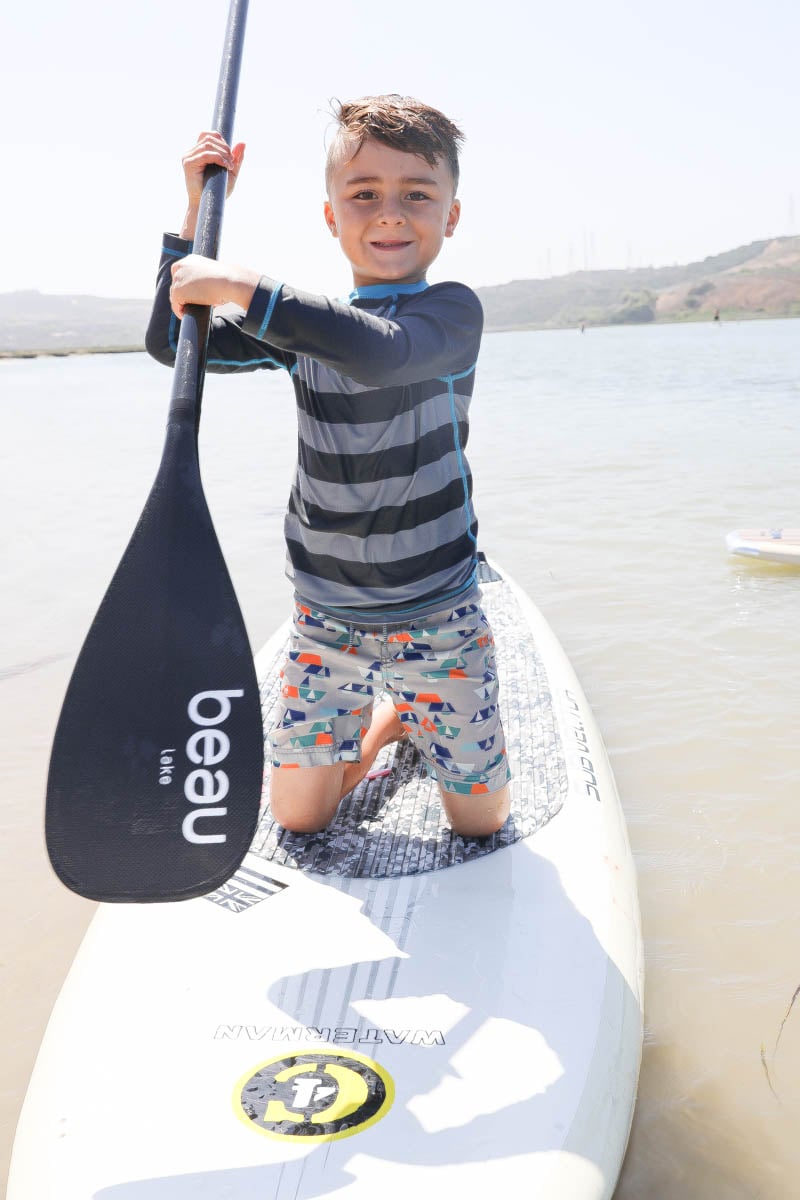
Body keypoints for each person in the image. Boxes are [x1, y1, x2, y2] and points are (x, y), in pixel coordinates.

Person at [146, 94, 511, 840]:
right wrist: (191, 222)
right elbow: (170, 344)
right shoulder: (302, 327)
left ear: (452, 215)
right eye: (364, 194)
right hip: (328, 618)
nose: (389, 213)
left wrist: (244, 287)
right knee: (300, 818)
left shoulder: (449, 313)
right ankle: (392, 722)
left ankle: (420, 708)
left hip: (438, 612)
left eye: (417, 194)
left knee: (479, 823)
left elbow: (382, 353)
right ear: (330, 215)